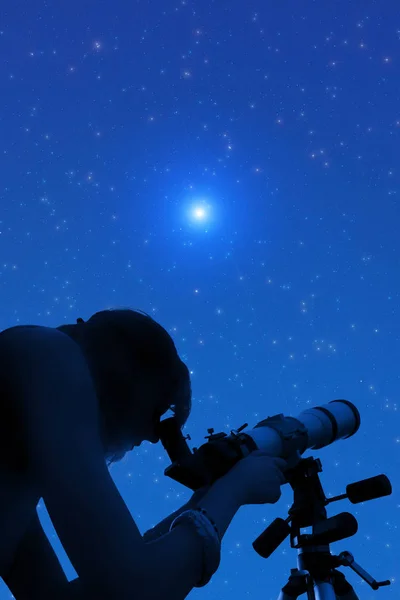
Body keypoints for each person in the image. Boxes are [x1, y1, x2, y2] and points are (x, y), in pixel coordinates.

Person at [0, 308, 288, 600]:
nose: (153, 437)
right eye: (158, 413)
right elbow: (132, 589)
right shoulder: (46, 353)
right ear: (131, 375)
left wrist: (201, 502)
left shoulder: (16, 486)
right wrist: (232, 492)